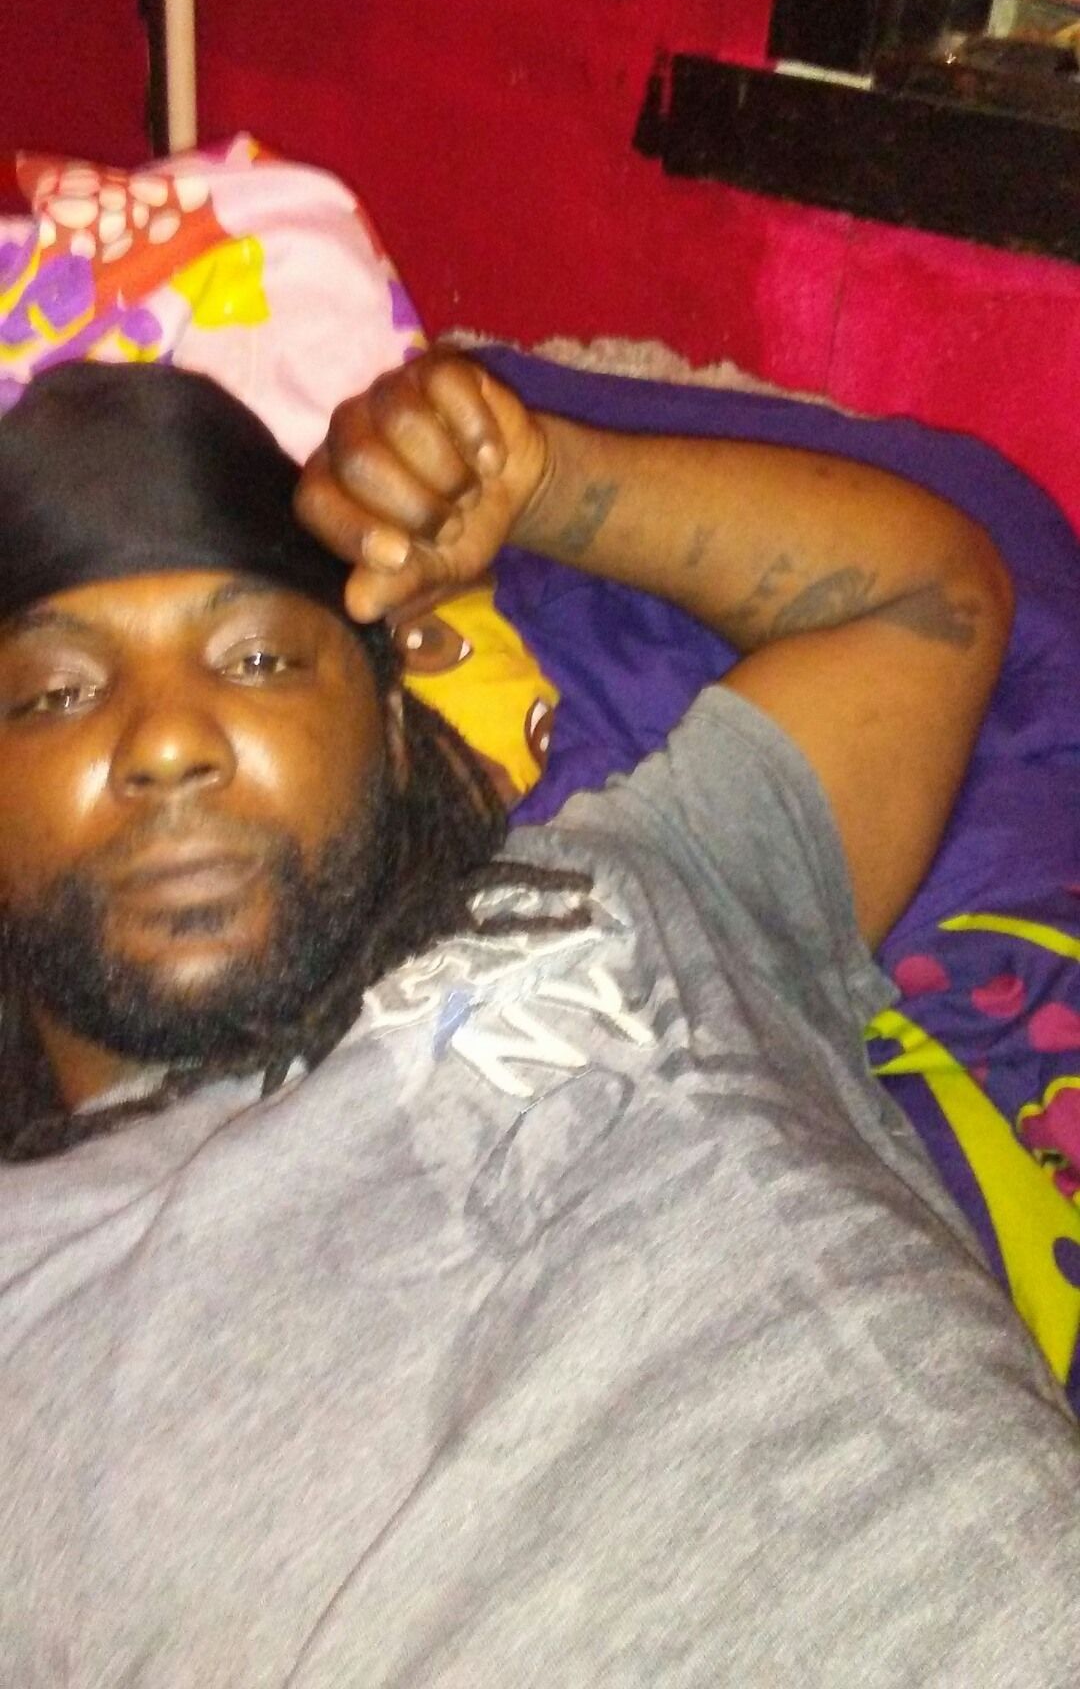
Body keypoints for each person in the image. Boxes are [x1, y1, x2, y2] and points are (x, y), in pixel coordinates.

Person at [1, 353, 1078, 1684]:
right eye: (56, 693)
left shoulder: (636, 884)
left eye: (262, 658)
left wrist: (550, 481)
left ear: (395, 728)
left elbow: (929, 600)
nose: (169, 741)